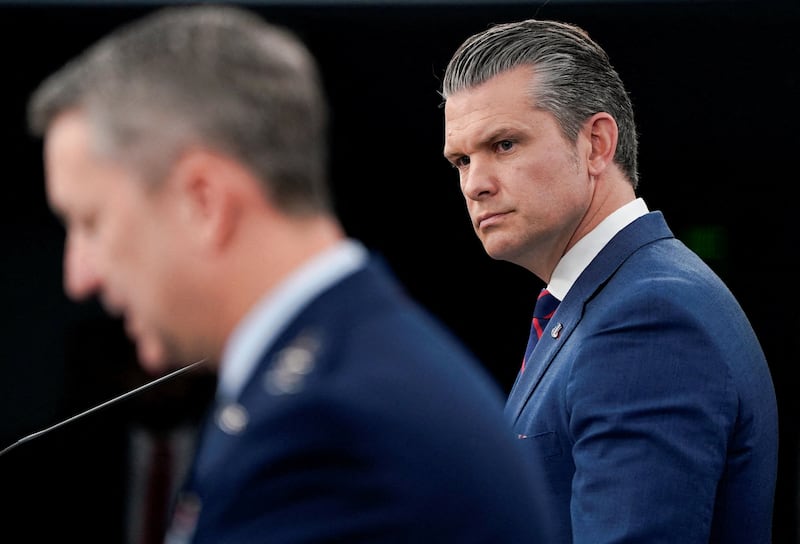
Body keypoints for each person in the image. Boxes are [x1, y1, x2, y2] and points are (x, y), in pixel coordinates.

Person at [26, 5, 556, 544]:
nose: (79, 276)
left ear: (203, 201)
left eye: (92, 221)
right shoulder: (343, 369)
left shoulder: (321, 432)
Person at [440, 18, 779, 544]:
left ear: (596, 144)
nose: (475, 184)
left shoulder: (649, 315)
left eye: (504, 145)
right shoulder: (611, 301)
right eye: (461, 160)